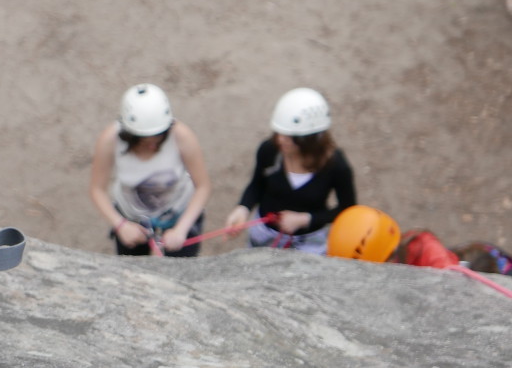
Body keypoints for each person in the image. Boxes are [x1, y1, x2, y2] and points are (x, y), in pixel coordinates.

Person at [224, 87, 356, 255]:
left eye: (291, 136)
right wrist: (242, 209)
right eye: (279, 133)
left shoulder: (337, 166)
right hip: (264, 235)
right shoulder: (269, 150)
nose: (281, 140)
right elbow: (257, 184)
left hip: (309, 243)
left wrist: (304, 219)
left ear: (312, 138)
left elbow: (348, 210)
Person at [89, 83, 212, 257]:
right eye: (143, 139)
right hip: (132, 222)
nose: (153, 143)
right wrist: (120, 225)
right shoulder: (110, 140)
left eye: (160, 135)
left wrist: (181, 230)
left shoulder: (181, 136)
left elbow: (203, 186)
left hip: (178, 217)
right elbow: (97, 190)